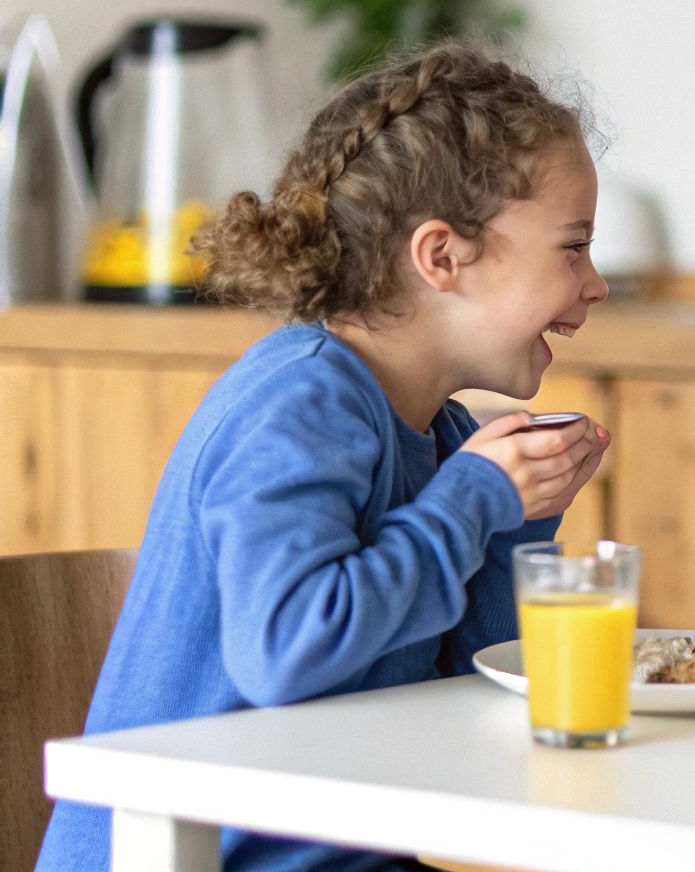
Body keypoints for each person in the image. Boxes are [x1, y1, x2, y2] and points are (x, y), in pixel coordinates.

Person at [37, 42, 611, 871]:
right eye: (574, 247)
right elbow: (287, 651)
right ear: (442, 256)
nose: (594, 283)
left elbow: (485, 688)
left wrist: (519, 520)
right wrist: (476, 500)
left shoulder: (441, 433)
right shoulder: (300, 402)